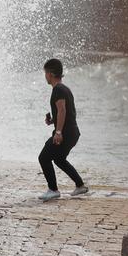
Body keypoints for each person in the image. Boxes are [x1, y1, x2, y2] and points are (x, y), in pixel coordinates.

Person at [38, 59, 88, 201]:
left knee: (43, 157)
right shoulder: (65, 89)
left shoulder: (58, 89)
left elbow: (62, 110)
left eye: (45, 73)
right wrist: (52, 121)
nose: (45, 76)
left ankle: (53, 190)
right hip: (73, 132)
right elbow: (68, 112)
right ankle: (80, 185)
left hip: (65, 133)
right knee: (59, 159)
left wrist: (58, 132)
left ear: (51, 73)